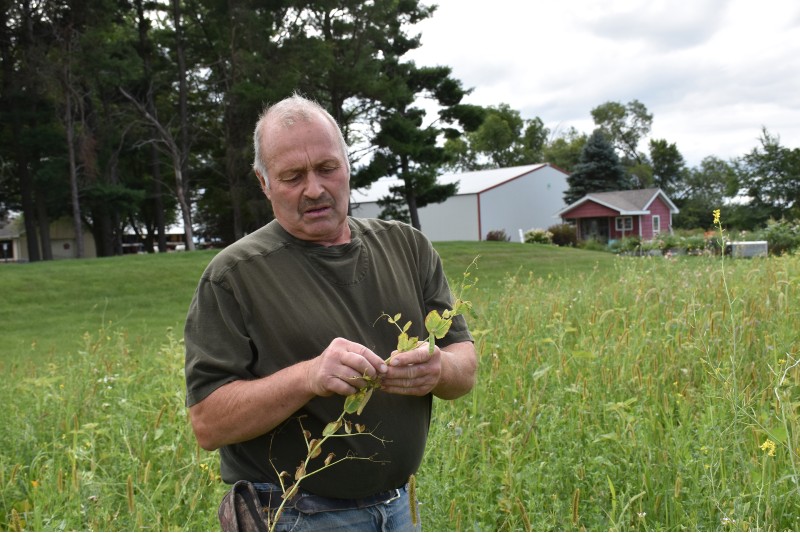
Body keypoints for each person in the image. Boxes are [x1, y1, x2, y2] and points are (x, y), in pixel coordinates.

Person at [184, 94, 477, 532]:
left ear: (347, 165)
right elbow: (208, 423)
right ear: (264, 183)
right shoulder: (233, 276)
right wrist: (308, 377)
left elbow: (464, 364)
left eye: (326, 168)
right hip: (295, 514)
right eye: (292, 176)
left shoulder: (407, 246)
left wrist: (437, 370)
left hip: (399, 508)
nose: (315, 189)